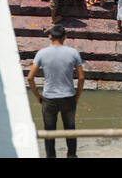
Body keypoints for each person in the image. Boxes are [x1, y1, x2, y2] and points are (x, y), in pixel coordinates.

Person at [27, 25, 85, 158]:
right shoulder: (73, 53)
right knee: (70, 130)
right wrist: (77, 96)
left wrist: (37, 96)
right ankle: (71, 155)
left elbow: (30, 77)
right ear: (65, 37)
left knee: (49, 132)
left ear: (50, 37)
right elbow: (81, 77)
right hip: (68, 97)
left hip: (49, 99)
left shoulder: (42, 53)